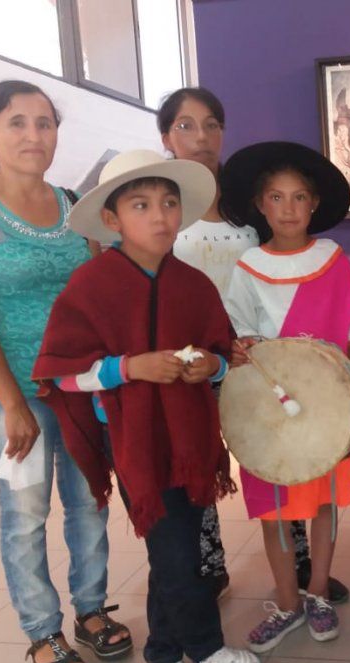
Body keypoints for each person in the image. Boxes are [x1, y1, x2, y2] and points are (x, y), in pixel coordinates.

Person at [31, 149, 260, 663]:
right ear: (112, 220)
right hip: (132, 439)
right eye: (141, 205)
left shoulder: (194, 284)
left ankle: (162, 655)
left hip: (189, 439)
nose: (159, 216)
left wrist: (211, 367)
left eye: (169, 203)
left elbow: (219, 352)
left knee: (175, 549)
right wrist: (128, 368)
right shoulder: (91, 285)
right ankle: (205, 649)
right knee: (176, 550)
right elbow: (61, 374)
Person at [0, 80, 131, 663]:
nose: (33, 135)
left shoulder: (75, 205)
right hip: (11, 395)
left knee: (89, 503)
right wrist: (12, 402)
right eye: (17, 123)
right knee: (24, 516)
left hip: (77, 390)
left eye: (44, 123)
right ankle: (43, 631)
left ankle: (92, 610)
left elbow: (98, 296)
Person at [220, 141, 350, 652]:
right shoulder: (247, 266)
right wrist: (240, 348)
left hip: (328, 406)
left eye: (299, 197)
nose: (288, 208)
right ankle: (287, 602)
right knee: (275, 508)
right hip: (269, 407)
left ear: (314, 204)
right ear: (260, 205)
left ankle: (319, 592)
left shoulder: (332, 260)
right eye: (277, 197)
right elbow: (240, 334)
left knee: (324, 501)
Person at [157, 86, 253, 599]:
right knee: (199, 462)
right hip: (192, 361)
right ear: (166, 136)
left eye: (212, 124)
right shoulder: (160, 208)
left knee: (271, 454)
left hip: (252, 355)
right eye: (186, 125)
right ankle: (209, 564)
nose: (201, 137)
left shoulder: (247, 202)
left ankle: (297, 558)